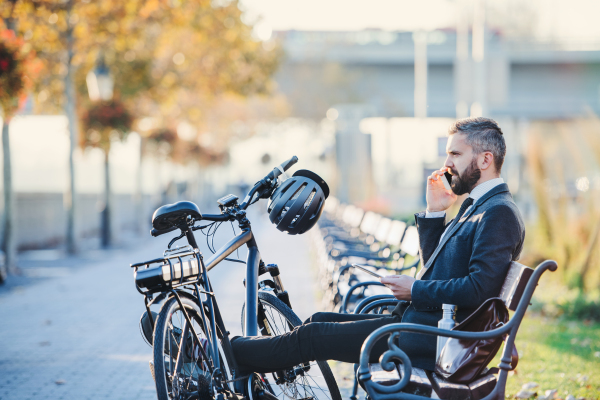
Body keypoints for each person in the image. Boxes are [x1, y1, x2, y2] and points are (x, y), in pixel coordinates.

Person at [231, 117, 525, 373]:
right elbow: (439, 268)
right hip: (420, 327)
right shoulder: (480, 205)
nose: (447, 164)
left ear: (485, 160)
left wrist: (414, 289)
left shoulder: (498, 212)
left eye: (455, 154)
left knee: (311, 336)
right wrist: (435, 212)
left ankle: (224, 354)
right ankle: (246, 361)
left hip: (430, 339)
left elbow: (479, 290)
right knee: (317, 320)